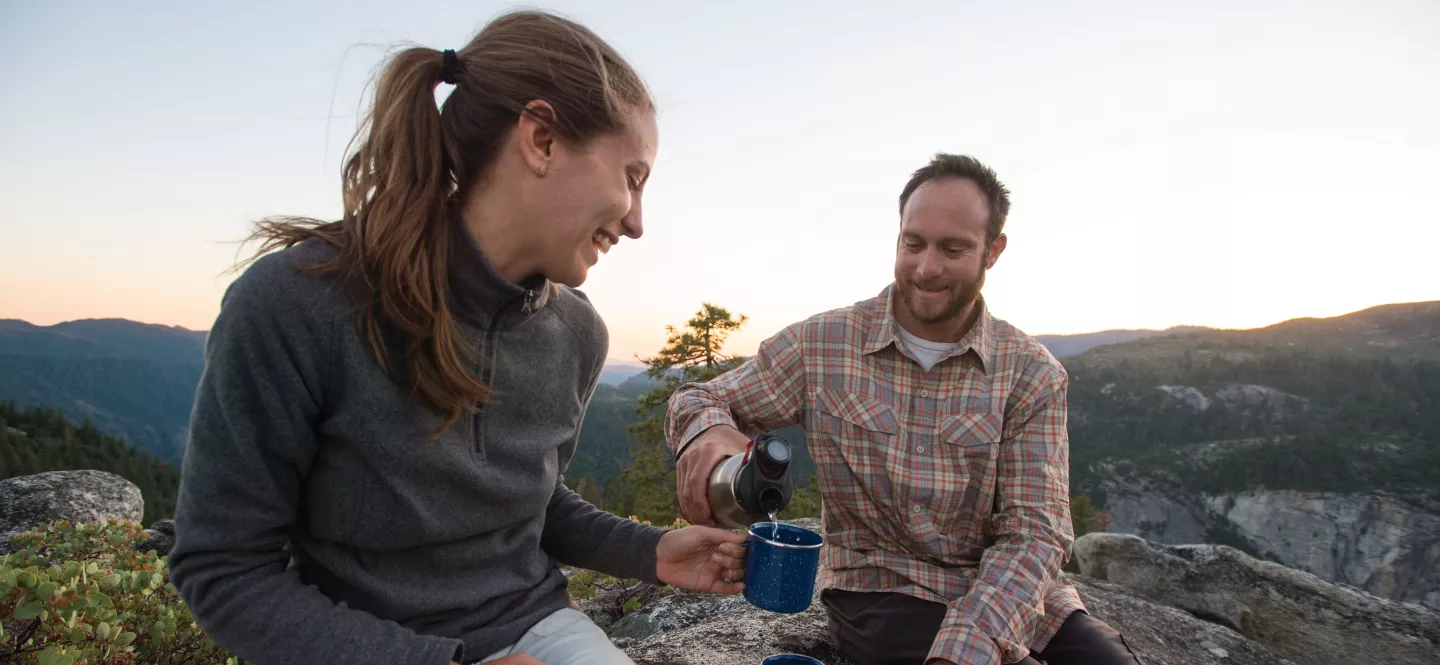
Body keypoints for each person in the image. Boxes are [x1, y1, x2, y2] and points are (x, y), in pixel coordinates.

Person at [168, 10, 747, 665]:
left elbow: (525, 500)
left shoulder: (576, 333)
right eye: (632, 177)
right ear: (541, 138)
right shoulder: (299, 302)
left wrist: (648, 550)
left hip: (535, 629)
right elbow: (223, 568)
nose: (638, 222)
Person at [664, 154, 1141, 665]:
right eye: (913, 243)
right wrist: (708, 437)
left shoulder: (1030, 372)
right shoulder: (825, 344)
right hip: (880, 586)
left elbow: (1035, 529)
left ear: (993, 251)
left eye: (953, 249)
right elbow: (698, 397)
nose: (927, 267)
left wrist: (971, 641)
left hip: (1011, 591)